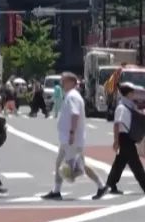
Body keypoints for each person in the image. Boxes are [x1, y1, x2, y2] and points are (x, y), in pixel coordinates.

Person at [42, 72, 106, 201]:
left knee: (77, 166)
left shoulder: (73, 96)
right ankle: (56, 190)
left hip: (71, 139)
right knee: (60, 162)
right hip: (67, 138)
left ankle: (101, 185)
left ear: (72, 82)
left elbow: (75, 114)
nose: (62, 83)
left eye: (64, 81)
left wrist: (72, 133)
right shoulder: (70, 95)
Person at [104, 83, 145, 195]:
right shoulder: (122, 107)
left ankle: (110, 184)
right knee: (134, 162)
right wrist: (116, 141)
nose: (134, 95)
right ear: (127, 94)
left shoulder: (129, 105)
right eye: (132, 93)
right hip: (124, 138)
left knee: (120, 163)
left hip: (127, 137)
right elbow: (117, 124)